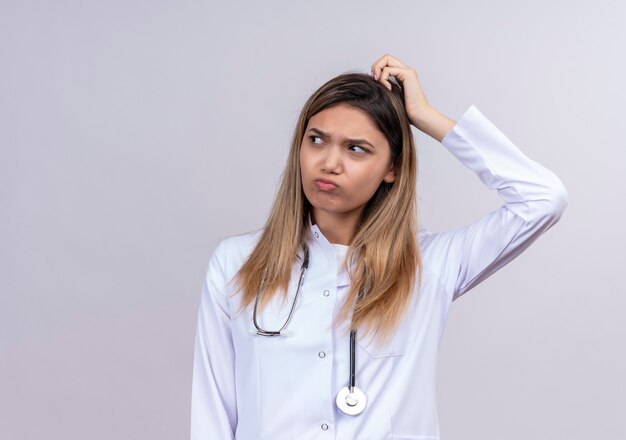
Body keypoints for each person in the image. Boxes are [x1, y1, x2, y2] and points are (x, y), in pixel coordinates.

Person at [190, 54, 569, 439]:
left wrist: (424, 115)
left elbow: (543, 199)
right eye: (316, 140)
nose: (329, 163)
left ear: (393, 168)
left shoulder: (430, 265)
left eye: (356, 149)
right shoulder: (237, 262)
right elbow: (213, 416)